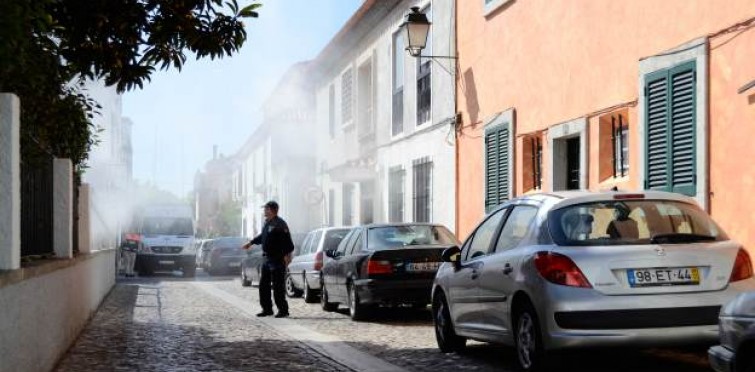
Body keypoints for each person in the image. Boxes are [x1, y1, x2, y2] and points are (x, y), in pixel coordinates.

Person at [242, 201, 295, 318]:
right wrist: (250, 243)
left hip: (277, 260)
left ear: (272, 210)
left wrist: (287, 256)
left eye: (266, 209)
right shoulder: (267, 223)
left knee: (278, 287)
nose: (264, 211)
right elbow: (262, 237)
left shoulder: (280, 224)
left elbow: (288, 242)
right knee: (263, 286)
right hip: (266, 259)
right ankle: (267, 309)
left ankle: (283, 310)